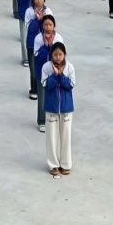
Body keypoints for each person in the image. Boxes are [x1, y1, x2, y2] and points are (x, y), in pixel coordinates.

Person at [42, 41, 76, 176]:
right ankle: (53, 164)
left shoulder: (70, 67)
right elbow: (45, 85)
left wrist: (61, 75)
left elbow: (70, 85)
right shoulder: (46, 67)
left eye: (60, 54)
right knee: (51, 136)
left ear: (65, 55)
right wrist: (54, 75)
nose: (58, 57)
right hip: (51, 107)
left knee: (66, 136)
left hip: (66, 108)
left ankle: (66, 164)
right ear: (51, 55)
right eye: (55, 54)